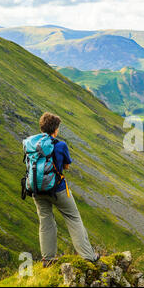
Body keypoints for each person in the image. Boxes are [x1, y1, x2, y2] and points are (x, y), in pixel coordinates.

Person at [33, 112, 99, 267]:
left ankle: (47, 260)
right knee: (73, 218)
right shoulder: (60, 145)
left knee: (45, 222)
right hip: (58, 189)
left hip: (37, 189)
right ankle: (88, 256)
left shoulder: (32, 144)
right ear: (55, 129)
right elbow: (66, 166)